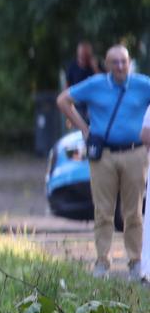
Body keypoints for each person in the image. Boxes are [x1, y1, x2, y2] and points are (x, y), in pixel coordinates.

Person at [58, 43, 150, 278]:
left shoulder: (142, 84)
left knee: (134, 212)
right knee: (103, 211)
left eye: (124, 61)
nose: (120, 66)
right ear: (107, 65)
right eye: (115, 62)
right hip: (104, 156)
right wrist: (84, 129)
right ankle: (102, 262)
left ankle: (135, 262)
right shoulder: (96, 84)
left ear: (129, 63)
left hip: (135, 153)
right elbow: (63, 100)